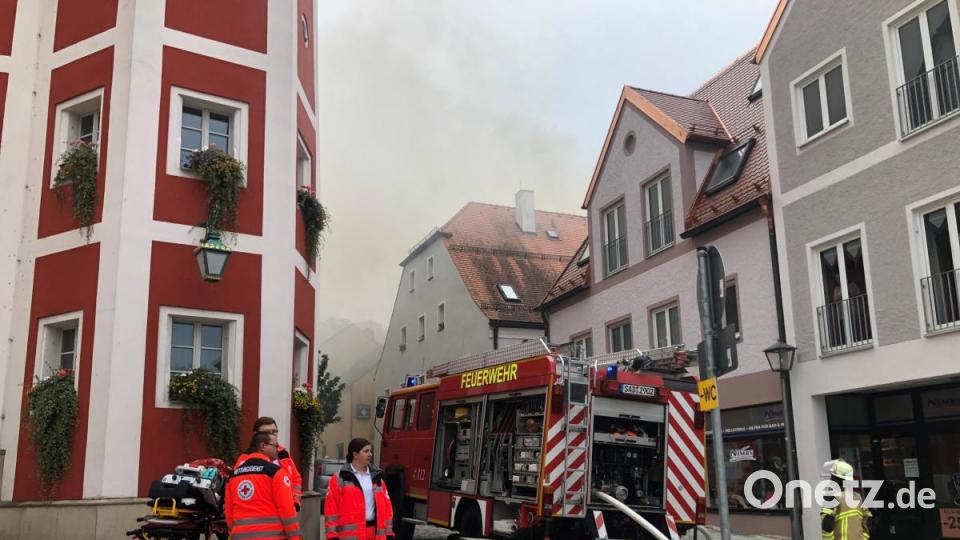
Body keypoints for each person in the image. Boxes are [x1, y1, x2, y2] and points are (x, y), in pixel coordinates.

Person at [225, 433, 302, 539]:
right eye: (275, 445)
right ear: (263, 446)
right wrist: (295, 537)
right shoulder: (276, 472)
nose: (277, 449)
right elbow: (287, 509)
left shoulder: (233, 476)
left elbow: (229, 512)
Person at [324, 438, 395, 539]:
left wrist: (389, 532)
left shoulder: (377, 478)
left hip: (375, 535)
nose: (370, 454)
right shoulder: (339, 479)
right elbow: (331, 509)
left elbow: (387, 507)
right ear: (355, 454)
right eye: (366, 451)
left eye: (370, 451)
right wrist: (332, 536)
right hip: (350, 537)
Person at [253, 416, 304, 510]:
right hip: (265, 512)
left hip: (287, 510)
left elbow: (296, 478)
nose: (272, 435)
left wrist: (295, 502)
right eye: (267, 432)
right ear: (256, 435)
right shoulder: (250, 457)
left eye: (274, 431)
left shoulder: (283, 454)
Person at [820, 459, 872, 540]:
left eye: (832, 477)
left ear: (837, 479)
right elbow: (867, 521)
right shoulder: (857, 497)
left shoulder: (833, 497)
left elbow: (827, 527)